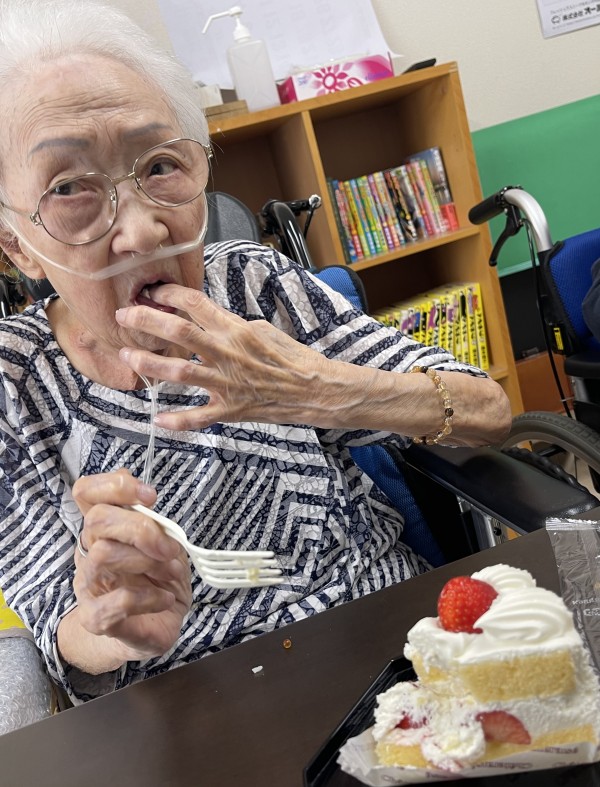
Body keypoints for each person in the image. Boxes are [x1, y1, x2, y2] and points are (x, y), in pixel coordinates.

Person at [0, 0, 512, 706]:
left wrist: (316, 387)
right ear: (18, 246)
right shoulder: (14, 383)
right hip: (193, 709)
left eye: (160, 165)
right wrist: (109, 626)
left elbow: (488, 409)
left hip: (387, 644)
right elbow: (60, 634)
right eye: (69, 188)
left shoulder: (252, 284)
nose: (143, 231)